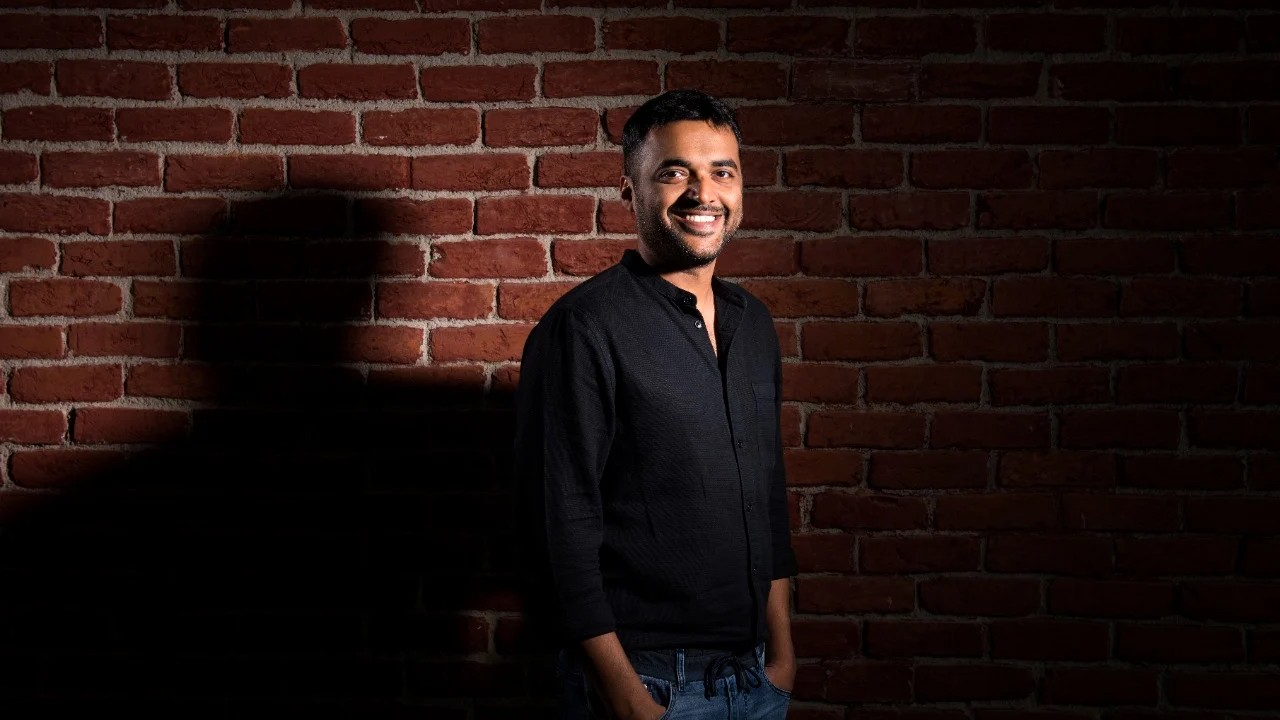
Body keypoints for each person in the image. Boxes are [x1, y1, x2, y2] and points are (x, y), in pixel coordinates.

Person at [515, 89, 797, 720]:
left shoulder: (753, 323)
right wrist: (625, 695)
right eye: (674, 173)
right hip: (650, 685)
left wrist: (782, 652)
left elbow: (767, 495)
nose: (704, 194)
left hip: (756, 678)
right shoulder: (584, 327)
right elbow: (558, 527)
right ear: (630, 189)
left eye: (722, 172)